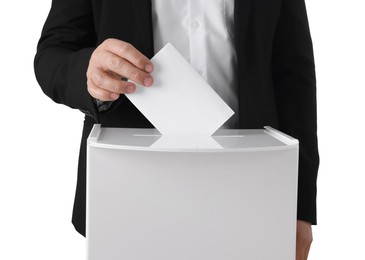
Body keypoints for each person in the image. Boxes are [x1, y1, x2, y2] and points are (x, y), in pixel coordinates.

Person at [34, 0, 319, 259]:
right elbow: (53, 53)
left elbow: (294, 78)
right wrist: (91, 71)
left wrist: (300, 207)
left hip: (249, 189)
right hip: (128, 192)